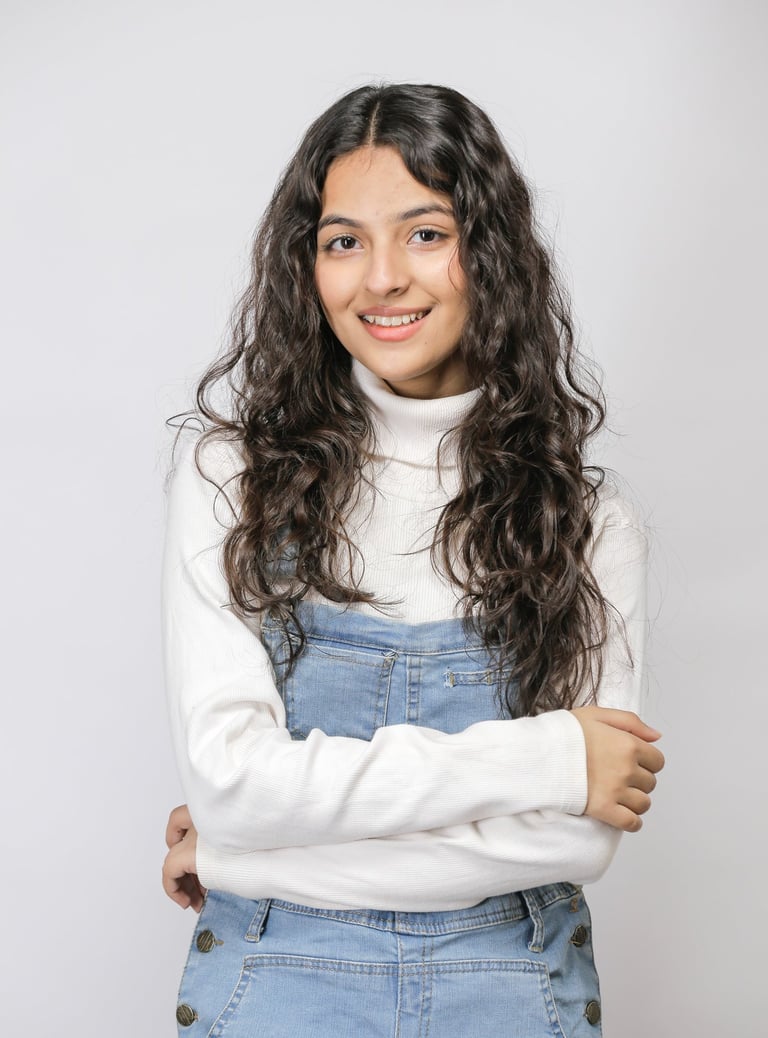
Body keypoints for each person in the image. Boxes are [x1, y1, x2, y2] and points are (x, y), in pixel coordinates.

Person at [161, 83, 664, 1037]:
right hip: (274, 988)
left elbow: (576, 838)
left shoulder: (593, 520)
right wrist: (553, 756)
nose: (382, 278)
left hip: (513, 989)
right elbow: (232, 784)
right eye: (343, 241)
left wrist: (242, 851)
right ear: (306, 267)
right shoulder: (229, 477)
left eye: (426, 233)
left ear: (493, 252)